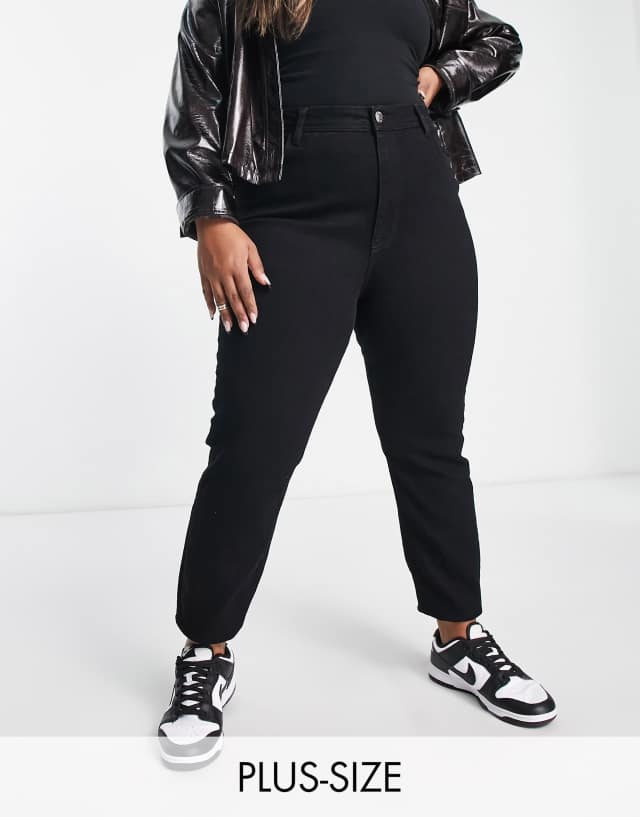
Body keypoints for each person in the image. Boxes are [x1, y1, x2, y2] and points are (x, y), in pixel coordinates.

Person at [157, 0, 556, 767]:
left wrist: (438, 77)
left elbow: (496, 40)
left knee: (430, 440)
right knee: (253, 445)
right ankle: (205, 648)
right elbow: (194, 104)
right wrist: (212, 217)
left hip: (422, 214)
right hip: (291, 220)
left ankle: (458, 636)